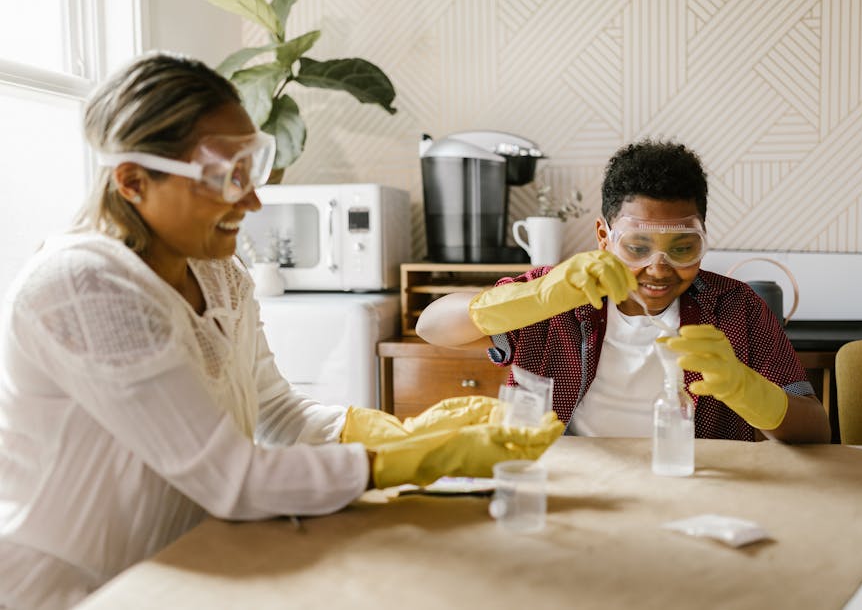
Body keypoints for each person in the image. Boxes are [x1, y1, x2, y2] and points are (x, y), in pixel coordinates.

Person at [0, 52, 563, 610]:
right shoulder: (86, 287)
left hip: (189, 566)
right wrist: (416, 459)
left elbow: (275, 413)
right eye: (225, 176)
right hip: (79, 590)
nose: (252, 199)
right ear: (132, 181)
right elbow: (233, 478)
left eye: (252, 168)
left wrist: (393, 431)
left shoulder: (218, 272)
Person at [417, 140, 831, 445]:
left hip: (695, 483)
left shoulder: (736, 309)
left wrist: (744, 387)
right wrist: (539, 296)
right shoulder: (561, 293)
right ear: (604, 237)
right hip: (574, 482)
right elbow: (431, 326)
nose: (658, 268)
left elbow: (815, 430)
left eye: (683, 247)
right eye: (637, 247)